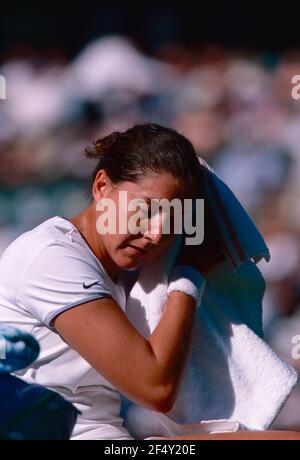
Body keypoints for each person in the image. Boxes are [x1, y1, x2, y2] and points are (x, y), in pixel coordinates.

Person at [1, 123, 298, 440]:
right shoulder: (51, 257)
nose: (156, 234)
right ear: (101, 186)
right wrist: (189, 274)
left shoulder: (122, 268)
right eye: (145, 210)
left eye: (173, 219)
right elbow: (155, 387)